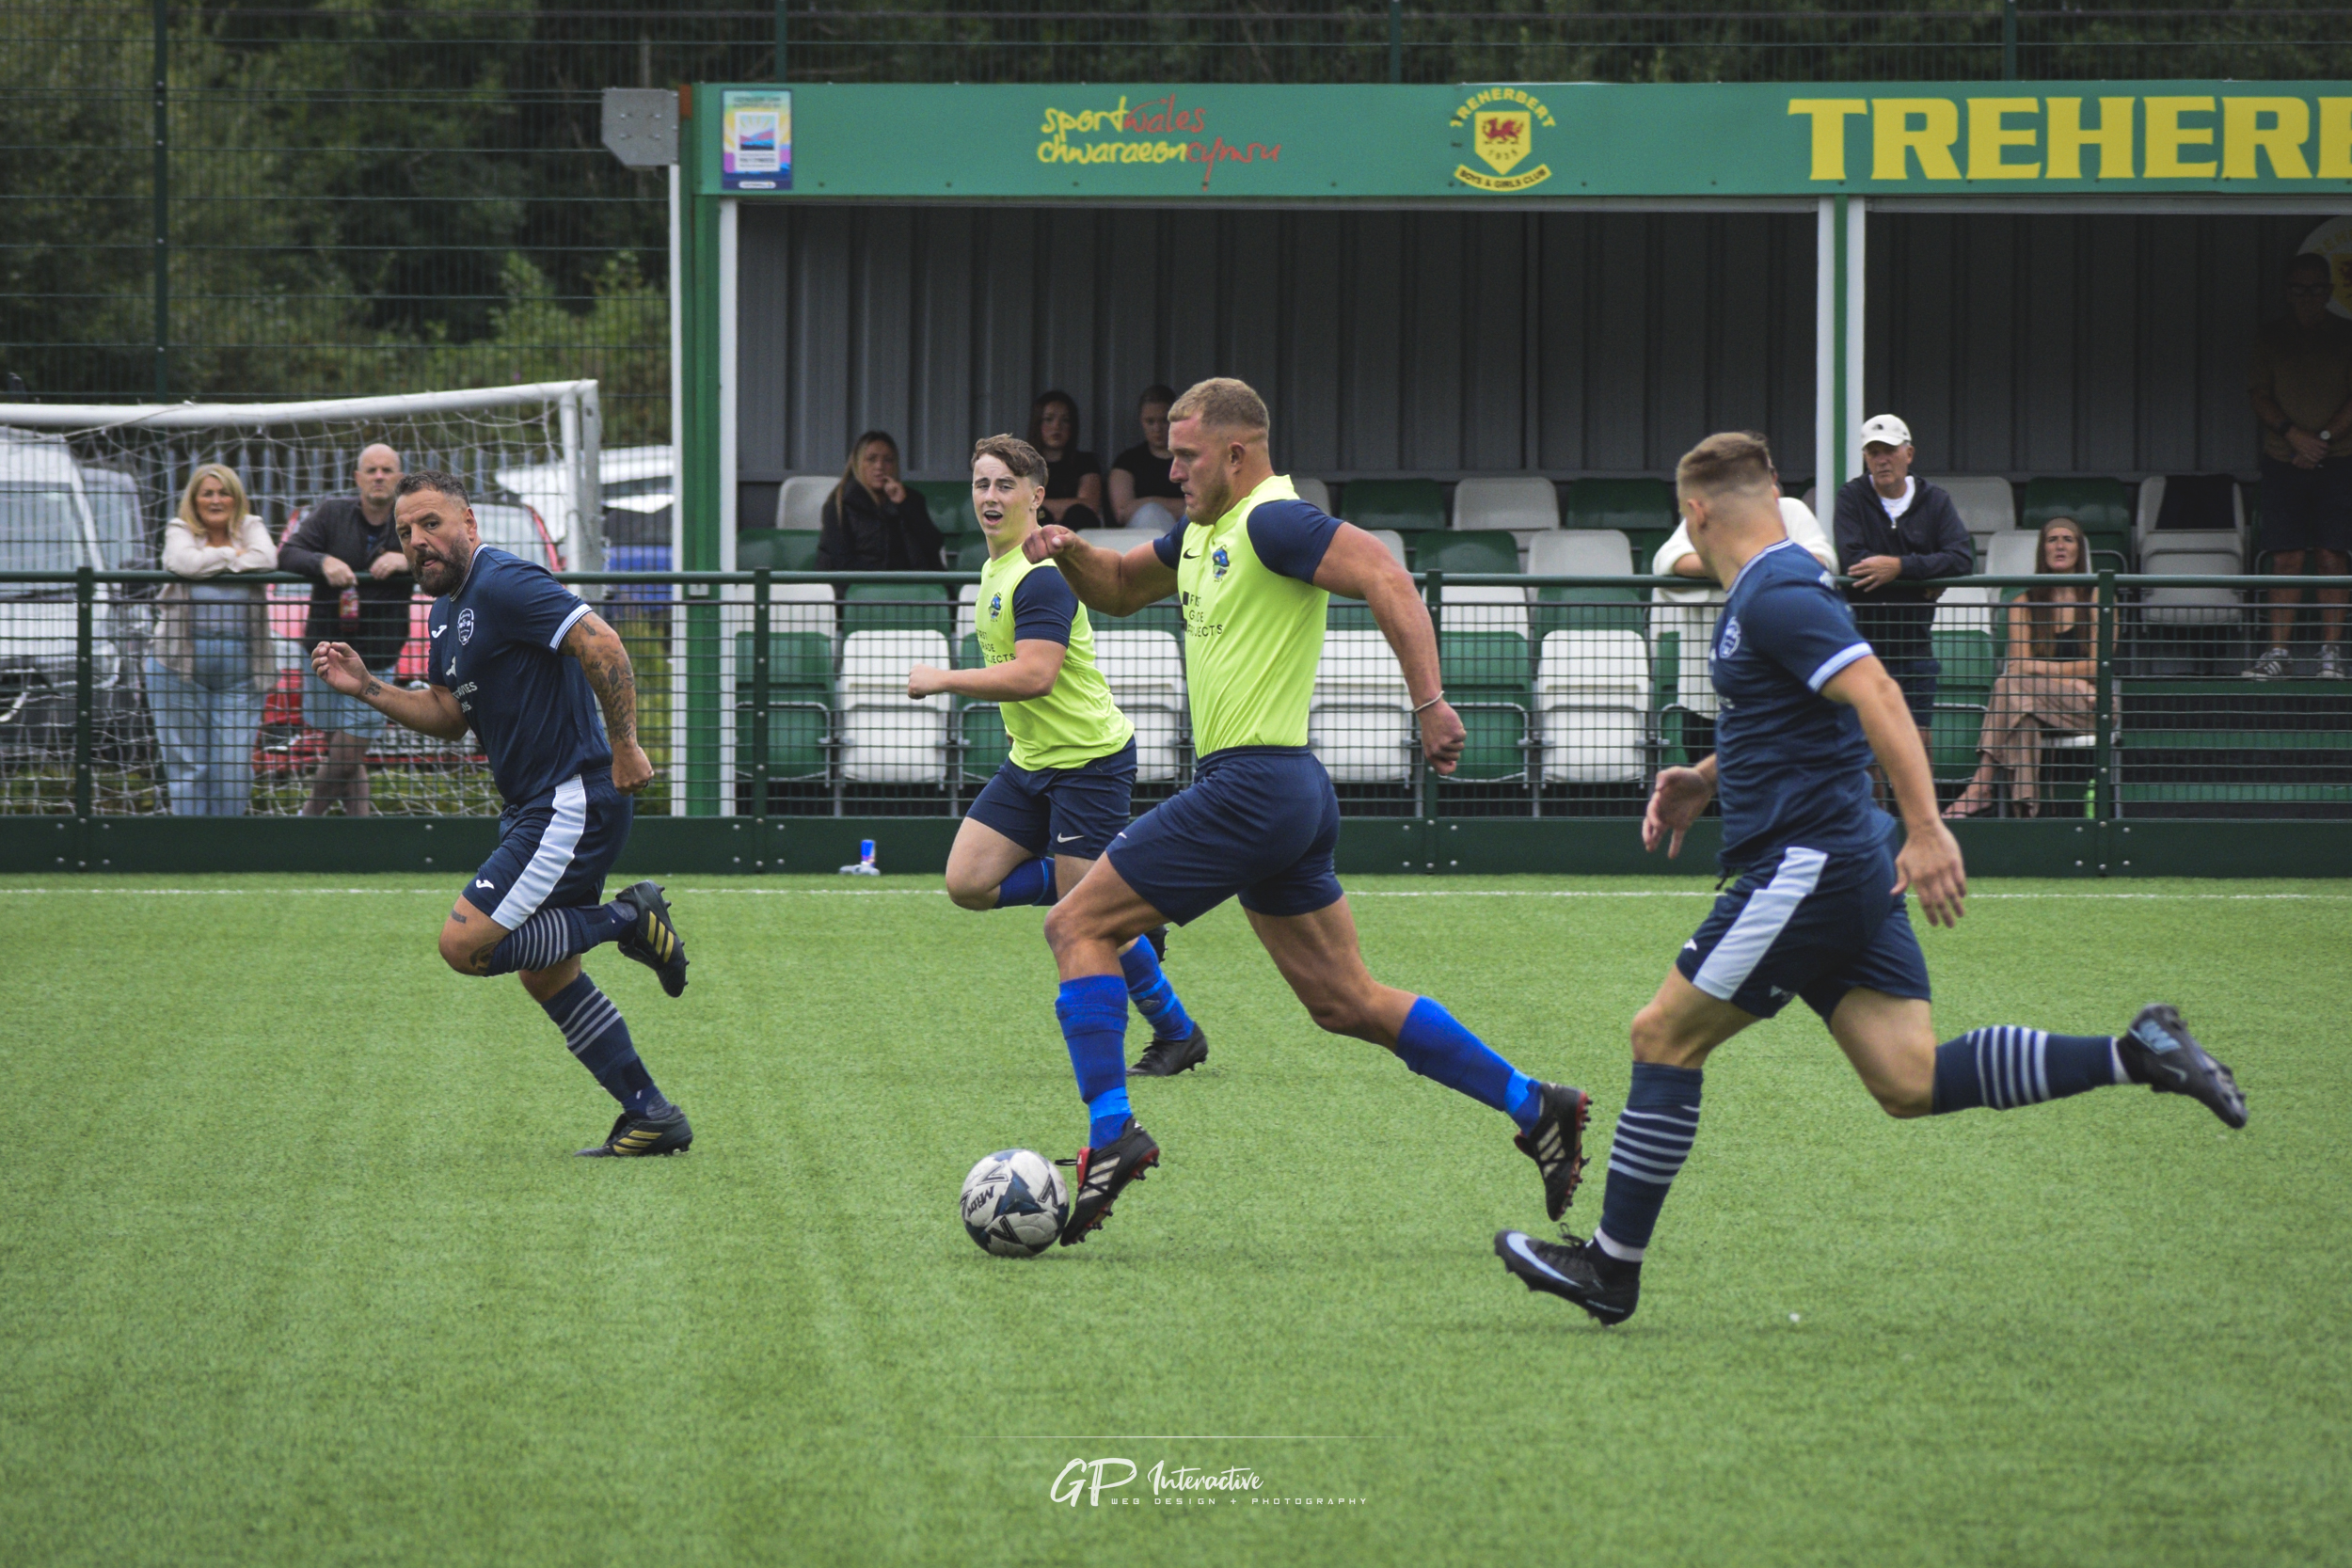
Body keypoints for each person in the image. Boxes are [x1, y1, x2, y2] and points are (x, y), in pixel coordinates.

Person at [1493, 432, 2245, 1327]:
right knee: (1908, 1078)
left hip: (1808, 865)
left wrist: (1931, 830)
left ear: (1693, 511)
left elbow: (1879, 694)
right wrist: (1706, 778)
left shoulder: (1771, 590)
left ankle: (1610, 1269)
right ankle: (2138, 1053)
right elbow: (1788, 721)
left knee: (1661, 1034)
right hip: (1848, 857)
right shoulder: (1768, 590)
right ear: (1773, 492)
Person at [1023, 377, 1586, 1245]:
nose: (1171, 469)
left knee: (1075, 927)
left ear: (1238, 453)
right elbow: (1124, 586)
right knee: (1344, 1001)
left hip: (1250, 787)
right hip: (1281, 794)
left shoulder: (1273, 521)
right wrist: (1066, 549)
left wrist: (1430, 702)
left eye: (1187, 455)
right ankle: (1534, 1102)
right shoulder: (1204, 529)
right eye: (1170, 453)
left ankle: (1111, 1133)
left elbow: (1388, 577)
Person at [310, 471, 695, 1157]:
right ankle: (651, 1113)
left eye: (431, 523)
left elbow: (600, 641)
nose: (418, 541)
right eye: (405, 532)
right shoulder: (441, 612)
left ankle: (629, 918)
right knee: (545, 970)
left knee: (465, 945)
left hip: (569, 800)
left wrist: (627, 744)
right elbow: (450, 716)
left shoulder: (502, 580)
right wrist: (366, 685)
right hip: (540, 808)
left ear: (470, 526)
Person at [906, 435, 1210, 1077]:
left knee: (1090, 921)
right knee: (967, 884)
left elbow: (1035, 675)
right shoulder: (993, 568)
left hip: (1088, 762)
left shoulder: (1040, 577)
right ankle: (1117, 889)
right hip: (1031, 761)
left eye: (1005, 485)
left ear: (1037, 496)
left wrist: (945, 678)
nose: (990, 497)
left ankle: (1178, 1032)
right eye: (982, 483)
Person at [1832, 415, 1974, 760]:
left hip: (1915, 646)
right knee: (1868, 749)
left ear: (1908, 454)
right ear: (1865, 459)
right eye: (1874, 452)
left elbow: (1961, 557)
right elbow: (1854, 560)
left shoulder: (1936, 500)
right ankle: (1880, 816)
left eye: (1890, 451)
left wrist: (1899, 568)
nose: (1882, 460)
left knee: (1918, 744)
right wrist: (1924, 576)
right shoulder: (1851, 497)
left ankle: (1916, 816)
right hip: (1864, 648)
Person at [278, 443, 410, 816]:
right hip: (326, 653)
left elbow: (450, 558)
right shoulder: (331, 514)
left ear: (399, 479)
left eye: (387, 470)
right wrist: (323, 562)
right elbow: (287, 554)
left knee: (349, 748)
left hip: (378, 658)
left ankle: (306, 821)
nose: (379, 476)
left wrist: (406, 559)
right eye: (371, 470)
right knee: (345, 752)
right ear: (358, 478)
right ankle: (360, 837)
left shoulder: (412, 521)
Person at [1942, 518, 2100, 819]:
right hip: (2042, 701)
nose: (2060, 546)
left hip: (2091, 707)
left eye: (2068, 539)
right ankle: (2027, 817)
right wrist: (2075, 681)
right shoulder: (2022, 602)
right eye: (2052, 540)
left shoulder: (2099, 599)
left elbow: (2097, 665)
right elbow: (2017, 669)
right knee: (2019, 709)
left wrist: (2068, 681)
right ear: (2043, 550)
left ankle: (1980, 789)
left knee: (2010, 688)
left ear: (2080, 550)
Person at [2245, 251, 2352, 681]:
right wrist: (2294, 435)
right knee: (2286, 555)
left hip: (2338, 459)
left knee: (2332, 554)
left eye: (2315, 289)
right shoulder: (2270, 337)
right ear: (2286, 292)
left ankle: (2331, 655)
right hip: (2282, 458)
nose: (2307, 297)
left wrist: (2322, 440)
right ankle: (2278, 652)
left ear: (2329, 291)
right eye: (2298, 289)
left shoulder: (2346, 335)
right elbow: (2258, 393)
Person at [147, 464, 276, 816]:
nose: (216, 500)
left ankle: (225, 852)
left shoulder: (251, 526)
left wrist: (211, 561)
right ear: (194, 500)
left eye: (224, 492)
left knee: (233, 770)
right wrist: (232, 556)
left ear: (236, 498)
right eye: (207, 493)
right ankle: (191, 853)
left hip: (242, 669)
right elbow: (181, 561)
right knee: (188, 768)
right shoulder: (179, 529)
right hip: (176, 663)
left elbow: (267, 558)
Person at [816, 431, 944, 571]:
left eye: (888, 460)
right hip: (858, 587)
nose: (879, 466)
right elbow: (841, 561)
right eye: (871, 459)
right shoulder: (840, 503)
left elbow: (933, 545)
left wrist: (904, 505)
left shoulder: (911, 499)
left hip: (909, 585)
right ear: (858, 464)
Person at [1655, 493, 1835, 577]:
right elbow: (1671, 559)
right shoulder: (1711, 507)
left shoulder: (1791, 508)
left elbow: (1822, 559)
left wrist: (1746, 564)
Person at [1107, 384, 1185, 531]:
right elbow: (1122, 513)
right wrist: (1175, 506)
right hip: (1140, 540)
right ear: (1141, 421)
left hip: (1187, 538)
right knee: (1150, 513)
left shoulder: (1192, 459)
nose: (1157, 428)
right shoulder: (1127, 461)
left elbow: (1203, 508)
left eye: (1164, 421)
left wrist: (1148, 501)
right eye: (1150, 421)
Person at [1029, 390, 1104, 531]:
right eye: (1049, 419)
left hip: (1077, 540)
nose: (1057, 426)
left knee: (1078, 514)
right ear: (1037, 423)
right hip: (1034, 543)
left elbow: (1089, 506)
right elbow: (1019, 506)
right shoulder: (1023, 465)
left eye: (1065, 420)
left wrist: (1041, 504)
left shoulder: (1086, 462)